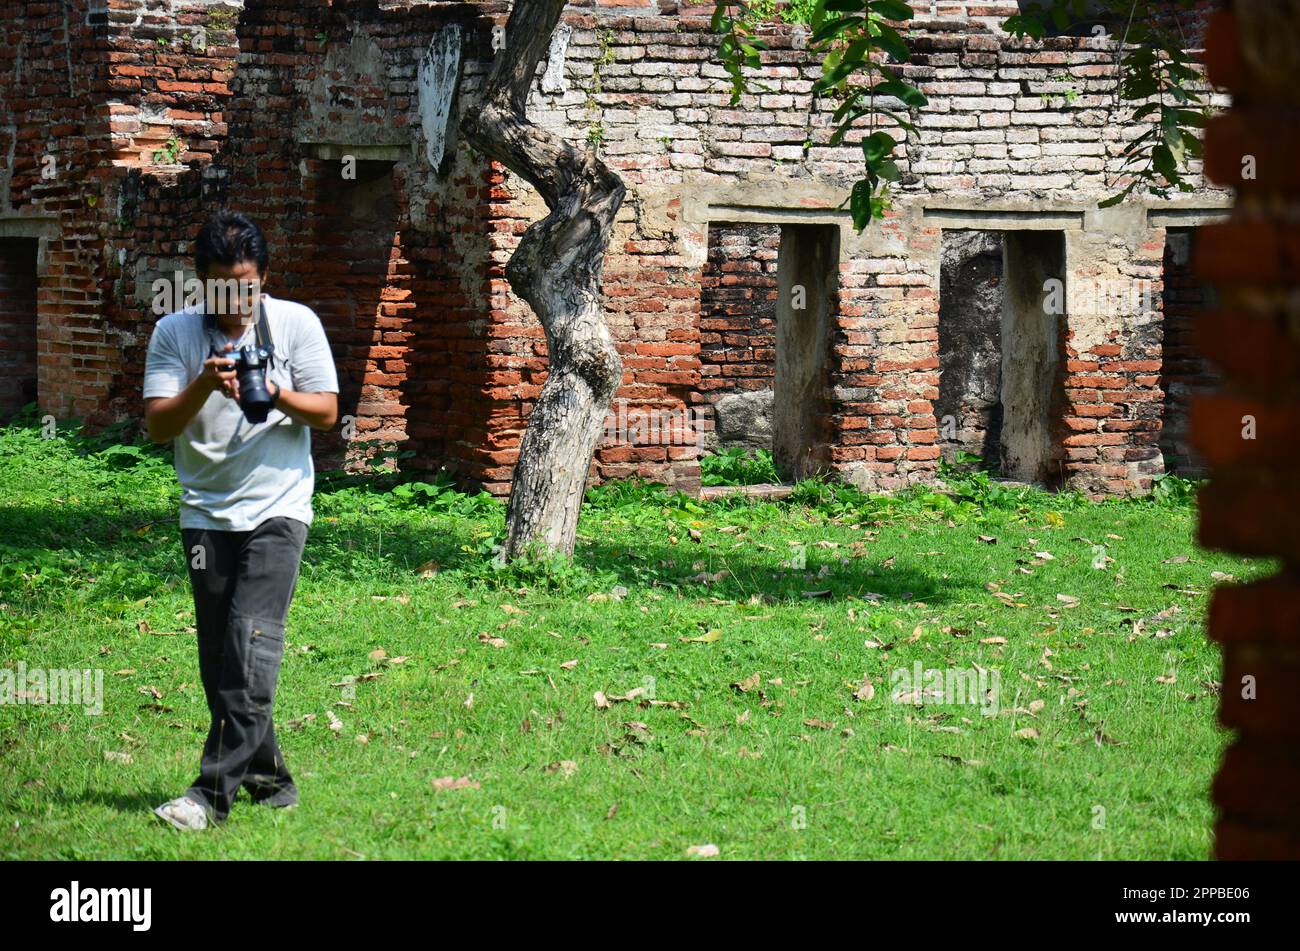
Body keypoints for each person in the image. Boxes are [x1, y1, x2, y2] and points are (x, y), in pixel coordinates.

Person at [142, 210, 339, 830]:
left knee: (251, 644)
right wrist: (204, 384)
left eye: (248, 285)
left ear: (264, 278)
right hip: (205, 514)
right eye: (224, 287)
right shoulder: (175, 333)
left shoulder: (295, 324)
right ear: (199, 282)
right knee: (221, 659)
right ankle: (270, 779)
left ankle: (208, 797)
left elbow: (329, 412)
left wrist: (273, 391)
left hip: (278, 507)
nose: (237, 299)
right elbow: (157, 425)